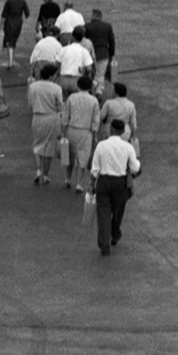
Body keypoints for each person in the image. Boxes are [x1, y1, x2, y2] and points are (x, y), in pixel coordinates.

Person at [89, 117, 141, 255]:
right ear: (123, 131)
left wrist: (91, 184)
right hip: (121, 183)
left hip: (104, 182)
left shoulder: (101, 145)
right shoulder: (128, 147)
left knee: (104, 214)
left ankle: (104, 244)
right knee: (118, 211)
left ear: (110, 129)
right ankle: (115, 233)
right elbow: (135, 167)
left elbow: (95, 169)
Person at [61, 75, 102, 192]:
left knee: (69, 154)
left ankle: (68, 178)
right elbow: (96, 120)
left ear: (78, 85)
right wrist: (94, 135)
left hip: (71, 129)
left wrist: (64, 130)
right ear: (90, 87)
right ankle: (79, 183)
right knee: (83, 157)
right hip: (86, 132)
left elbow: (65, 115)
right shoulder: (93, 100)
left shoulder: (71, 98)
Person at [27, 63, 65, 186]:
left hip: (37, 117)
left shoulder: (33, 86)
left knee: (37, 145)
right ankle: (46, 175)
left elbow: (30, 103)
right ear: (51, 75)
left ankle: (38, 170)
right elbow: (60, 106)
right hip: (51, 118)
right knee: (49, 147)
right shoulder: (56, 88)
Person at [85, 8, 117, 93]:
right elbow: (112, 41)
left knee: (92, 74)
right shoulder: (107, 26)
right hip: (103, 54)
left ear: (94, 16)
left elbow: (85, 41)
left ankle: (92, 88)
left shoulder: (87, 26)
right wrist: (111, 54)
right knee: (100, 74)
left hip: (90, 55)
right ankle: (98, 92)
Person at [0, 0, 31, 69]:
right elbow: (27, 13)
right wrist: (22, 20)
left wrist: (0, 26)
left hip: (9, 22)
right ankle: (12, 60)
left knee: (9, 41)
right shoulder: (23, 2)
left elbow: (3, 15)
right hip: (18, 23)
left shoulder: (9, 2)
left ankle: (10, 62)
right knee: (14, 41)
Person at [57, 27, 94, 98]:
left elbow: (56, 65)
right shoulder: (84, 51)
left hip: (63, 80)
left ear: (72, 37)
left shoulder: (64, 49)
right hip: (77, 81)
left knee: (63, 104)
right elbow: (89, 69)